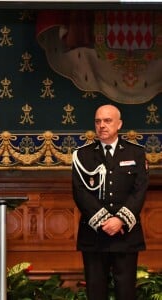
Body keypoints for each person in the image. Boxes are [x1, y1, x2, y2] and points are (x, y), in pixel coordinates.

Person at [72, 104, 148, 300]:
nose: (102, 126)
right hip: (95, 235)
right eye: (98, 121)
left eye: (107, 121)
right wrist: (105, 221)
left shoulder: (136, 153)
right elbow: (80, 192)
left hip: (125, 235)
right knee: (96, 293)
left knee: (126, 292)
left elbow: (139, 190)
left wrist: (120, 220)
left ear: (119, 124)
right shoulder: (82, 155)